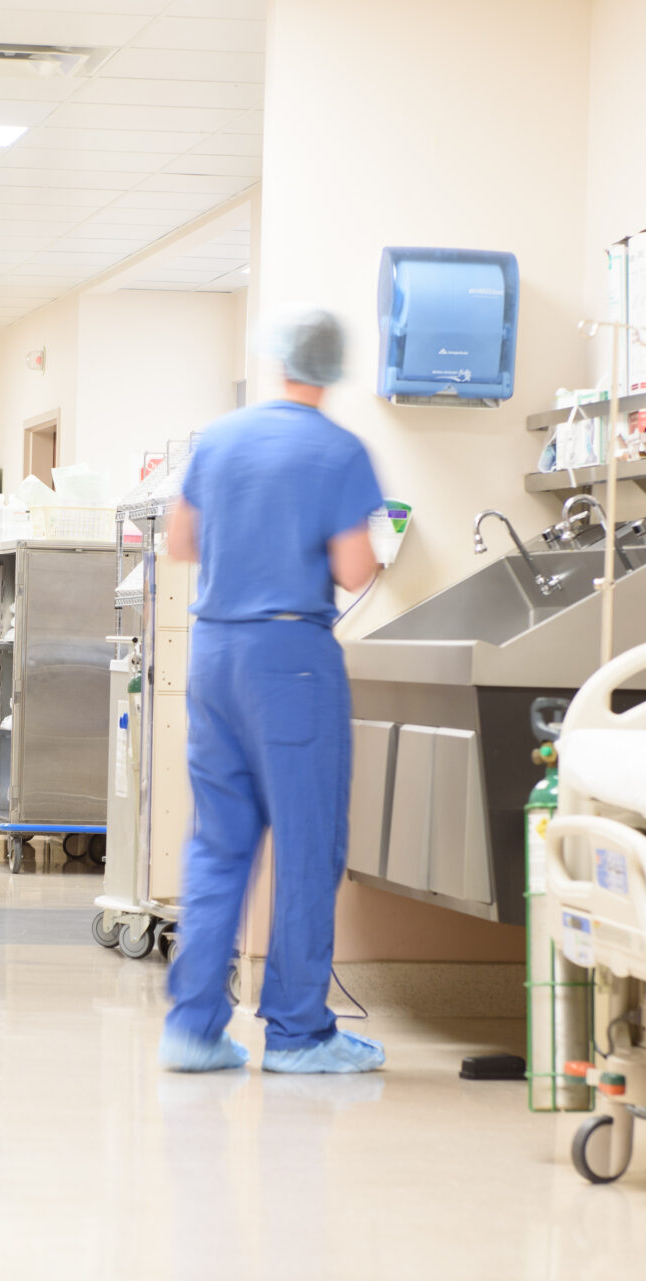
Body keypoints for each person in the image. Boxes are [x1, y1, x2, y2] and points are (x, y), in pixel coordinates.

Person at [160, 307, 385, 1074]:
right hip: (290, 659)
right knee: (304, 844)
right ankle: (296, 1032)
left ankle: (192, 1029)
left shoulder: (218, 439)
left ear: (276, 360)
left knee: (218, 846)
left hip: (213, 651)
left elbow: (179, 542)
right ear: (332, 367)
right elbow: (355, 569)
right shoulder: (338, 451)